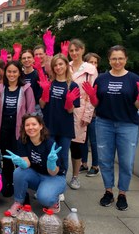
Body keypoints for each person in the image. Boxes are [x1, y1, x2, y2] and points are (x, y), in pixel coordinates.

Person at [82, 45, 139, 211]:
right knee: (105, 160)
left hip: (127, 125)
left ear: (126, 59)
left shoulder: (134, 79)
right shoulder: (101, 79)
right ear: (109, 60)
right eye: (114, 58)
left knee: (126, 162)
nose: (117, 61)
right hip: (104, 124)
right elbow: (96, 104)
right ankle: (108, 191)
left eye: (120, 58)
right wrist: (93, 97)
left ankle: (122, 193)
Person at [5, 114, 66, 215]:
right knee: (18, 172)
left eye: (34, 124)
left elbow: (53, 172)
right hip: (37, 174)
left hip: (54, 177)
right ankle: (18, 202)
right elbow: (27, 164)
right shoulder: (23, 140)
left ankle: (54, 199)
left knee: (45, 199)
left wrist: (51, 163)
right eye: (27, 125)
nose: (31, 127)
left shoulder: (50, 143)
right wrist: (20, 162)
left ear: (41, 126)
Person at [0, 60, 35, 197]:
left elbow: (31, 110)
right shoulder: (0, 88)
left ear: (19, 73)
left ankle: (22, 187)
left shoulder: (26, 88)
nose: (11, 74)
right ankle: (8, 183)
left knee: (20, 159)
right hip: (4, 128)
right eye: (9, 71)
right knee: (7, 157)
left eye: (14, 72)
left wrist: (28, 130)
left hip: (19, 130)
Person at [40, 54, 80, 176]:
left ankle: (60, 183)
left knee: (62, 156)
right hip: (49, 126)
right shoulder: (49, 83)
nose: (58, 67)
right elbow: (42, 105)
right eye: (55, 65)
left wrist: (69, 103)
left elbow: (70, 111)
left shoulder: (72, 85)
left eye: (61, 64)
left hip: (64, 128)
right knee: (49, 155)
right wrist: (45, 92)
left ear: (67, 66)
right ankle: (47, 180)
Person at [67, 39, 98, 190]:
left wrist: (88, 115)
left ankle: (75, 176)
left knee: (77, 145)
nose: (74, 53)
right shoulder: (66, 66)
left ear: (82, 50)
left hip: (81, 109)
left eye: (76, 50)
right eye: (71, 50)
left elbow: (93, 94)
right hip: (65, 108)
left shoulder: (90, 69)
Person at [80, 52, 101, 177]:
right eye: (90, 62)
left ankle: (95, 165)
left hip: (94, 115)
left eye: (95, 62)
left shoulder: (99, 78)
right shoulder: (83, 76)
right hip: (81, 114)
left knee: (94, 141)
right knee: (82, 140)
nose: (93, 65)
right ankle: (84, 163)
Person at [21, 49, 42, 114]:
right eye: (24, 58)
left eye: (29, 57)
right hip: (21, 107)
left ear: (33, 59)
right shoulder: (19, 75)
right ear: (21, 61)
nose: (26, 60)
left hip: (35, 108)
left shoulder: (38, 74)